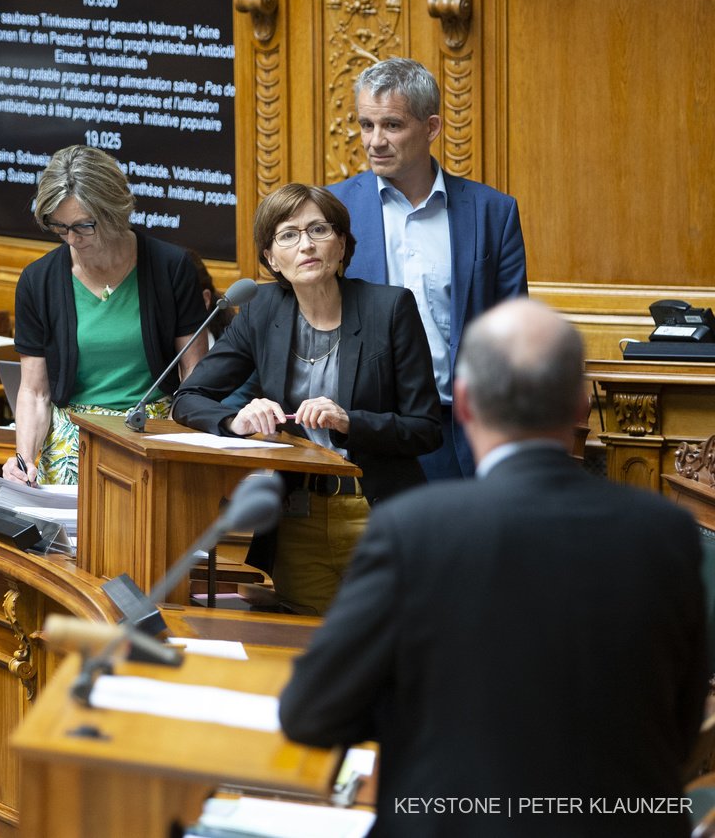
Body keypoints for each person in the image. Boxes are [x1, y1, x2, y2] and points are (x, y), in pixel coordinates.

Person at [279, 300, 707, 837]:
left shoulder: (411, 531)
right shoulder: (667, 533)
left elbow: (311, 714)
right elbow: (684, 722)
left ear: (463, 404)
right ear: (581, 405)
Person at [173, 184, 441, 615]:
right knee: (305, 643)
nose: (307, 245)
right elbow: (188, 397)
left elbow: (425, 429)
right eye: (288, 235)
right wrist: (236, 420)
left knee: (387, 642)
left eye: (319, 229)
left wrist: (349, 421)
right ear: (270, 258)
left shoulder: (389, 308)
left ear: (342, 244)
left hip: (375, 510)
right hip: (299, 519)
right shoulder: (262, 310)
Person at [328, 57, 527, 480]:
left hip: (457, 434)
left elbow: (514, 332)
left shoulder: (493, 213)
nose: (375, 141)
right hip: (360, 430)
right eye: (366, 125)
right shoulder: (331, 210)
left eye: (392, 125)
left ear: (431, 127)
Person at [3, 144, 208, 485]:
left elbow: (194, 372)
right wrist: (24, 461)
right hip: (73, 438)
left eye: (83, 226)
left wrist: (180, 440)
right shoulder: (38, 281)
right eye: (59, 226)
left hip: (156, 428)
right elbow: (35, 393)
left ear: (114, 212)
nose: (71, 239)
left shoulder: (171, 267)